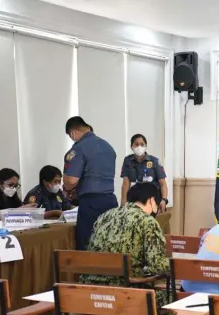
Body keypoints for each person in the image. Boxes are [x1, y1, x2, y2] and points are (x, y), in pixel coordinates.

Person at [80, 183, 169, 309]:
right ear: (151, 200)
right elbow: (157, 266)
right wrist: (177, 265)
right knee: (172, 297)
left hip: (90, 291)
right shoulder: (147, 221)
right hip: (124, 293)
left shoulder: (104, 216)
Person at [63, 116, 118, 250]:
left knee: (88, 244)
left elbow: (71, 180)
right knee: (109, 244)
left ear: (73, 133)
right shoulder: (108, 147)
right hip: (110, 201)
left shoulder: (79, 148)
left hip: (91, 203)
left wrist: (66, 187)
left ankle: (88, 272)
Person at [120, 134, 168, 212]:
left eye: (142, 144)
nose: (139, 147)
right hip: (135, 201)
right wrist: (123, 205)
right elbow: (125, 184)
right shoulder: (128, 161)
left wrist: (164, 200)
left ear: (145, 146)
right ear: (131, 146)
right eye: (136, 144)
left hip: (152, 201)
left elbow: (163, 183)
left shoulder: (154, 161)